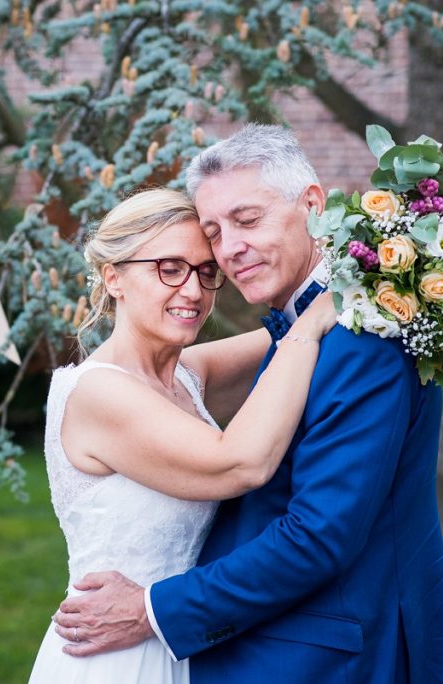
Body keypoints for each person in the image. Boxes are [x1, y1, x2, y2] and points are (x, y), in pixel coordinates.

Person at [52, 124, 443, 683]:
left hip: (328, 654)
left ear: (313, 206)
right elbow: (265, 394)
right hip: (133, 645)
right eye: (214, 235)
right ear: (114, 279)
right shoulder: (308, 330)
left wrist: (369, 283)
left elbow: (319, 534)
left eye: (246, 222)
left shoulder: (361, 332)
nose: (226, 255)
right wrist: (332, 302)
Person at [29, 187, 337, 683]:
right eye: (168, 268)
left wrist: (379, 270)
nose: (193, 291)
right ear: (115, 278)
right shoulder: (97, 392)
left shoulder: (185, 376)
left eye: (205, 271)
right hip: (114, 655)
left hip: (182, 641)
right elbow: (243, 462)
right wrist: (311, 327)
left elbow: (288, 332)